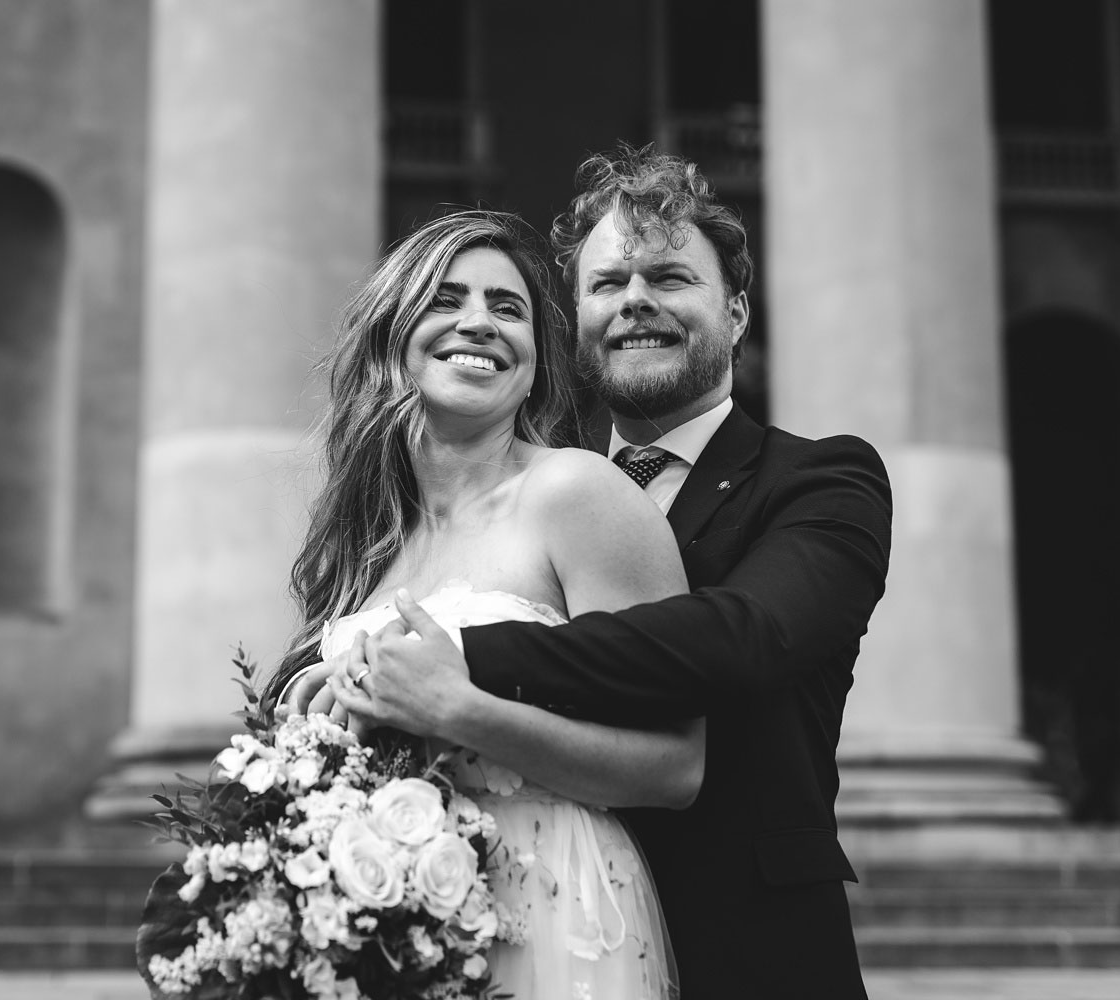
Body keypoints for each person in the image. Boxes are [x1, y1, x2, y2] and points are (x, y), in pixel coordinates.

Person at [298, 145, 893, 999]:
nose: (636, 302)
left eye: (670, 279)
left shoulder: (820, 478)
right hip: (480, 923)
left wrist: (459, 664)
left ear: (737, 310)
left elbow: (751, 636)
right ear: (571, 322)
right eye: (608, 284)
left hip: (744, 944)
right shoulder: (511, 486)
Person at [267, 208, 703, 998]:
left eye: (509, 309)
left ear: (536, 363)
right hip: (392, 931)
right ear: (392, 335)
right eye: (447, 298)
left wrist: (456, 709)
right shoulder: (366, 542)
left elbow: (675, 765)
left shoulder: (577, 494)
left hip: (556, 919)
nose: (480, 322)